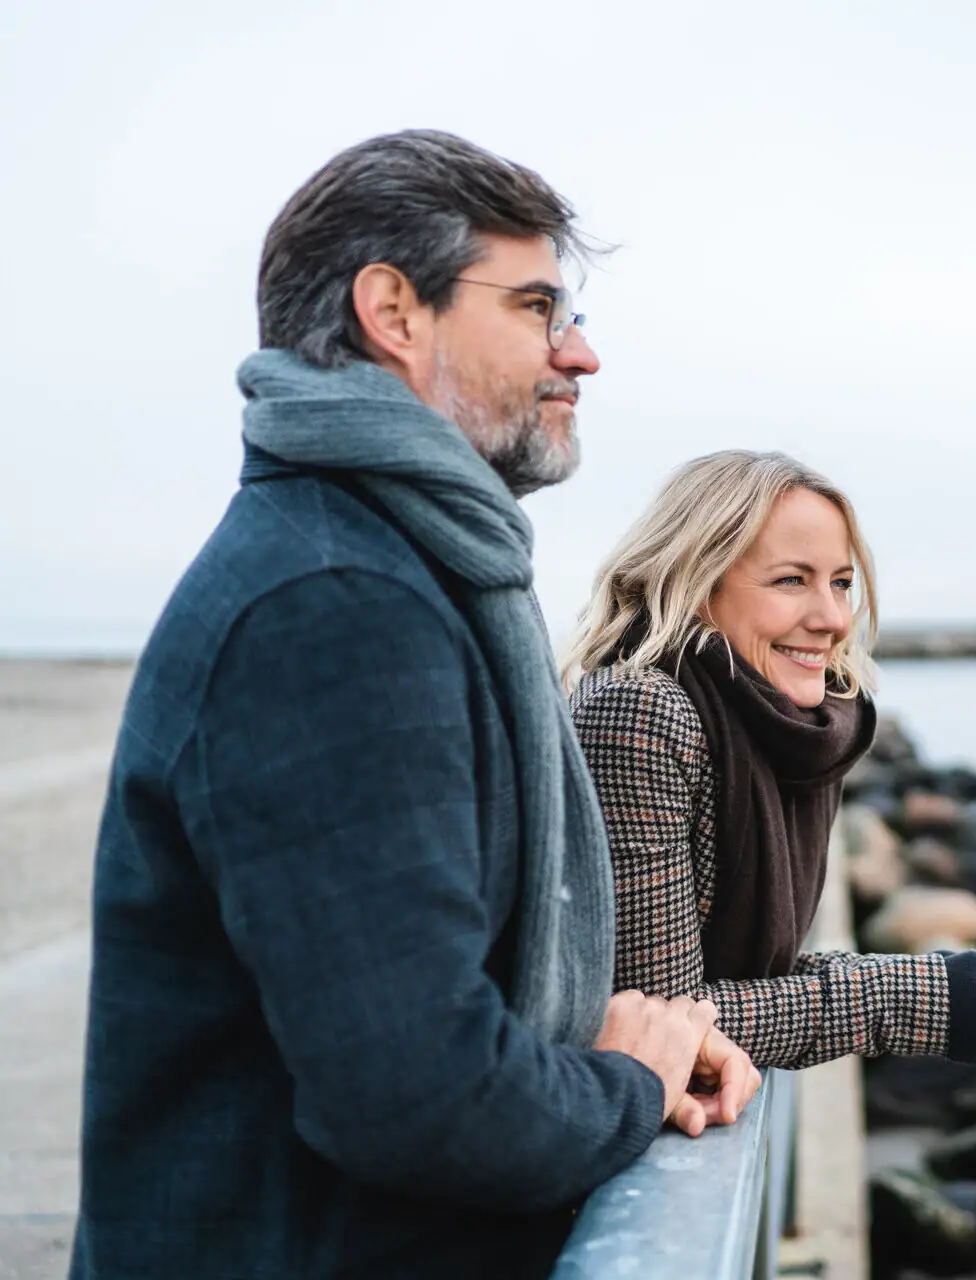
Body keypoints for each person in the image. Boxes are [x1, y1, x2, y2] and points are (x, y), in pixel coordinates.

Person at [71, 130, 756, 1280]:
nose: (579, 353)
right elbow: (420, 1095)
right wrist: (625, 1083)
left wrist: (578, 1047)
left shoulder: (391, 568)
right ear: (395, 309)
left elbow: (408, 1008)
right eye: (539, 307)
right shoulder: (336, 604)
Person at [563, 451, 976, 1071]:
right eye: (792, 580)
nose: (832, 619)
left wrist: (941, 979)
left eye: (841, 583)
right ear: (693, 581)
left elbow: (752, 976)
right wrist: (925, 1001)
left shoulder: (787, 728)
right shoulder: (639, 711)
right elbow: (661, 1024)